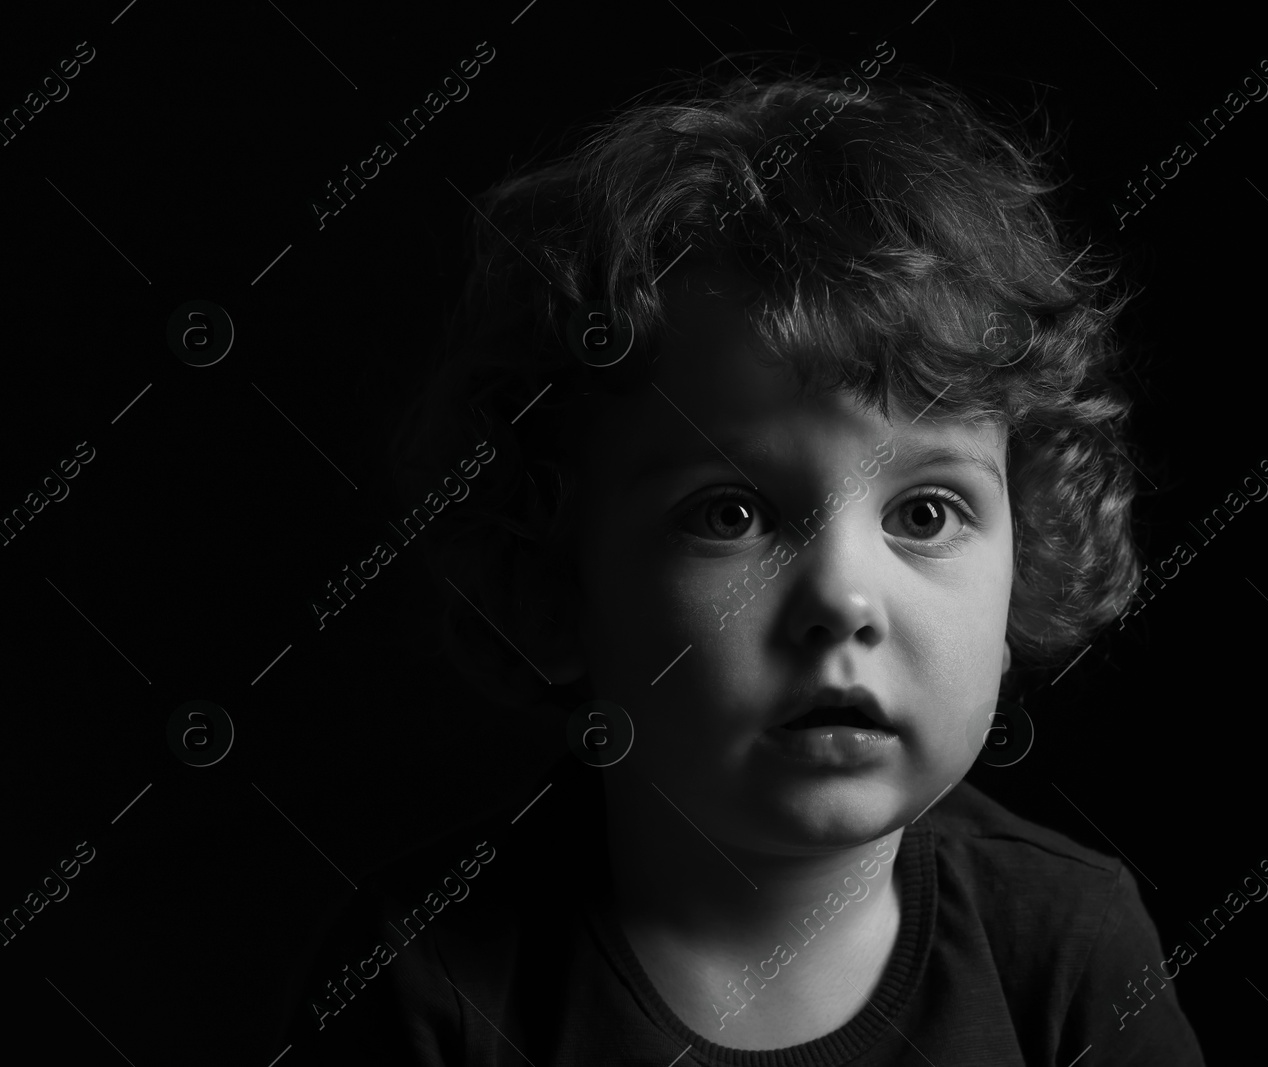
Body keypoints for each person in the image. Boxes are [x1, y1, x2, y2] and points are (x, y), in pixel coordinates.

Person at [279, 57, 1205, 1065]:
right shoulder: (432, 976)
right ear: (549, 582)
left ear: (1026, 553)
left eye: (927, 511)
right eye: (729, 512)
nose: (843, 598)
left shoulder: (1064, 946)